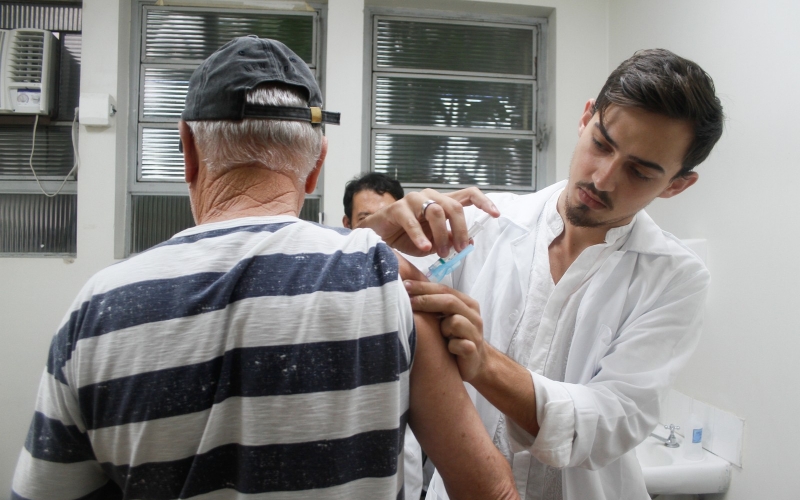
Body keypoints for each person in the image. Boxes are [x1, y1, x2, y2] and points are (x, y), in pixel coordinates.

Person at [10, 36, 518, 500]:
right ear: (316, 165)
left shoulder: (99, 309)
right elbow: (490, 492)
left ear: (188, 148)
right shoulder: (389, 283)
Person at [362, 48, 724, 500]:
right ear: (586, 118)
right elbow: (362, 310)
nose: (603, 179)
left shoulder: (674, 277)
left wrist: (485, 364)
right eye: (602, 144)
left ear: (676, 185)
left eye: (639, 172)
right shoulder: (481, 225)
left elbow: (609, 422)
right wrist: (373, 238)